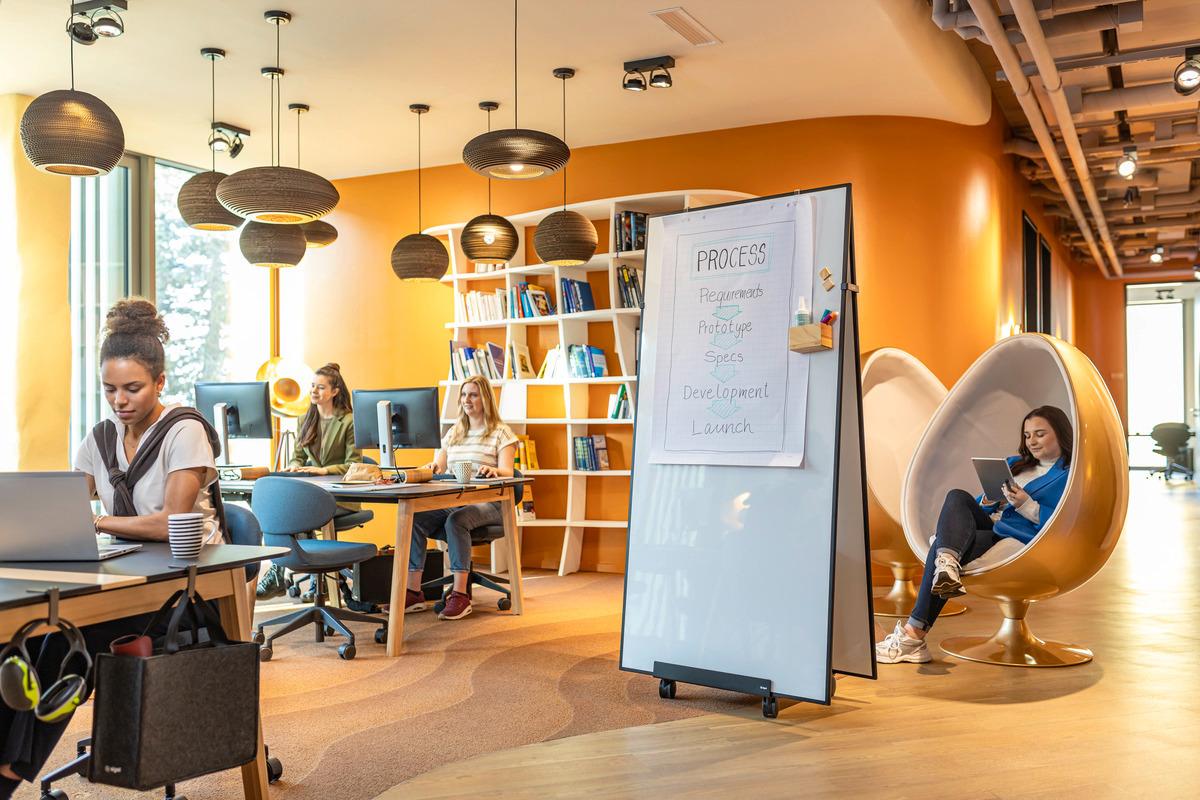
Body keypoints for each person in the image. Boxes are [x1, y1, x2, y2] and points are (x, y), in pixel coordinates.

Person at [1, 298, 224, 797]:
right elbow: (60, 506)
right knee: (20, 639)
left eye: (132, 388)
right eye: (109, 390)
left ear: (160, 382)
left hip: (184, 584)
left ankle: (9, 772)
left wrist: (98, 520)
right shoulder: (99, 438)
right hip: (122, 572)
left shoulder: (185, 431)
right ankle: (6, 758)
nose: (119, 400)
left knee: (61, 643)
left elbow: (172, 523)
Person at [876, 405, 1072, 665]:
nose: (1031, 442)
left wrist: (1026, 504)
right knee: (957, 496)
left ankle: (914, 634)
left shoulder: (1067, 475)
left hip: (1017, 537)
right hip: (990, 524)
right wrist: (991, 500)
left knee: (941, 549)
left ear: (1060, 434)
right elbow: (977, 505)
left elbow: (1064, 522)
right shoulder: (1015, 464)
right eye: (1027, 436)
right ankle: (947, 561)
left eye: (1039, 434)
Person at [404, 375, 517, 621]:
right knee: (415, 517)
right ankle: (413, 592)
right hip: (455, 500)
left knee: (457, 520)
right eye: (464, 395)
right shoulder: (454, 432)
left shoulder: (501, 433)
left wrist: (495, 471)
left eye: (473, 394)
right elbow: (439, 465)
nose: (467, 400)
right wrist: (431, 467)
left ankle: (460, 595)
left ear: (485, 398)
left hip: (492, 503)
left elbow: (510, 472)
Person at [256, 363, 363, 601]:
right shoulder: (305, 418)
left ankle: (308, 578)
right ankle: (286, 574)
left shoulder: (349, 421)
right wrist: (294, 465)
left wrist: (322, 470)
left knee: (296, 514)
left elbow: (353, 465)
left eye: (321, 387)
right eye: (312, 386)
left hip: (341, 497)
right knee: (278, 511)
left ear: (335, 391)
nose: (314, 391)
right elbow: (298, 455)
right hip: (311, 495)